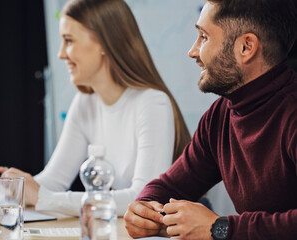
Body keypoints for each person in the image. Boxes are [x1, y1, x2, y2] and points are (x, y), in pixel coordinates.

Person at [0, 0, 191, 216]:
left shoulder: (152, 103)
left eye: (69, 41)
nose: (61, 54)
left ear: (103, 42)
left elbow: (144, 199)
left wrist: (43, 197)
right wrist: (15, 187)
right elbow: (53, 181)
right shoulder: (85, 102)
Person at [124, 0, 297, 239]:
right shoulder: (220, 115)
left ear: (246, 47)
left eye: (204, 37)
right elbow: (171, 185)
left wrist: (220, 228)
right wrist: (143, 207)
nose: (193, 51)